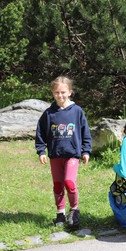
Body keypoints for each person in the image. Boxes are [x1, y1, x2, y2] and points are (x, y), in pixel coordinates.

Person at [35, 76, 92, 229]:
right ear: (53, 93)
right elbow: (40, 133)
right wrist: (41, 151)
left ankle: (74, 210)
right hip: (55, 155)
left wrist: (86, 150)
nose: (60, 95)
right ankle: (60, 213)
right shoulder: (48, 114)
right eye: (56, 93)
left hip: (72, 154)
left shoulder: (77, 111)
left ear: (70, 92)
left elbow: (85, 132)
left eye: (63, 92)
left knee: (69, 182)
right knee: (58, 185)